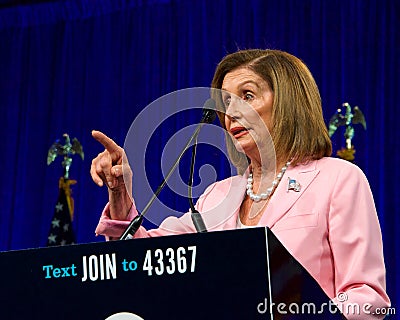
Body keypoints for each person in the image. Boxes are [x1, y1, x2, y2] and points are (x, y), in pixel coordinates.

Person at [90, 49, 390, 319]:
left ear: (288, 102)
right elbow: (148, 262)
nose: (231, 112)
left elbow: (368, 298)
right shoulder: (216, 196)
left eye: (247, 95)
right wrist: (120, 193)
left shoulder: (337, 179)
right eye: (225, 103)